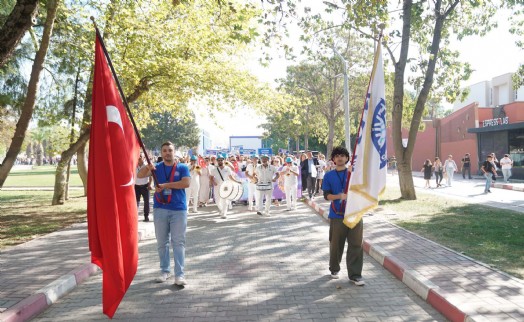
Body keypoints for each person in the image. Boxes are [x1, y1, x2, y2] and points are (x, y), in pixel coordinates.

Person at [137, 141, 190, 286]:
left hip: (178, 209)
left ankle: (179, 275)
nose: (167, 153)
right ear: (161, 153)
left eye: (170, 150)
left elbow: (186, 183)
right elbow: (140, 175)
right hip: (160, 208)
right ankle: (164, 271)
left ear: (174, 152)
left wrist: (165, 185)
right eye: (165, 150)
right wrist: (147, 167)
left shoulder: (182, 167)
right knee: (162, 242)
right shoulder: (156, 167)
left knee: (178, 242)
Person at [321, 146, 365, 286]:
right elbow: (326, 196)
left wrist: (355, 176)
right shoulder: (328, 175)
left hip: (354, 214)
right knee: (336, 244)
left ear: (347, 158)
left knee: (356, 245)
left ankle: (355, 275)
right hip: (337, 215)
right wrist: (340, 196)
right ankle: (334, 269)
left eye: (343, 156)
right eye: (337, 156)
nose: (340, 158)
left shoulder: (354, 174)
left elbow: (363, 189)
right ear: (333, 159)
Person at [210, 154, 240, 219]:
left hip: (225, 186)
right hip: (217, 186)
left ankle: (224, 213)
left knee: (225, 200)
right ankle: (221, 209)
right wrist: (213, 182)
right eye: (219, 160)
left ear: (224, 160)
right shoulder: (214, 169)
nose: (220, 161)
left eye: (221, 160)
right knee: (217, 201)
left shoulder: (228, 168)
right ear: (217, 161)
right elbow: (211, 177)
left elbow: (231, 177)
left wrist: (237, 182)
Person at [135, 152, 153, 222]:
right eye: (138, 157)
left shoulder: (146, 165)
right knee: (136, 202)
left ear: (143, 158)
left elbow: (150, 176)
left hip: (145, 186)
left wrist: (150, 184)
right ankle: (135, 216)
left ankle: (146, 216)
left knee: (146, 202)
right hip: (136, 186)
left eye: (140, 157)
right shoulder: (134, 165)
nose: (139, 158)